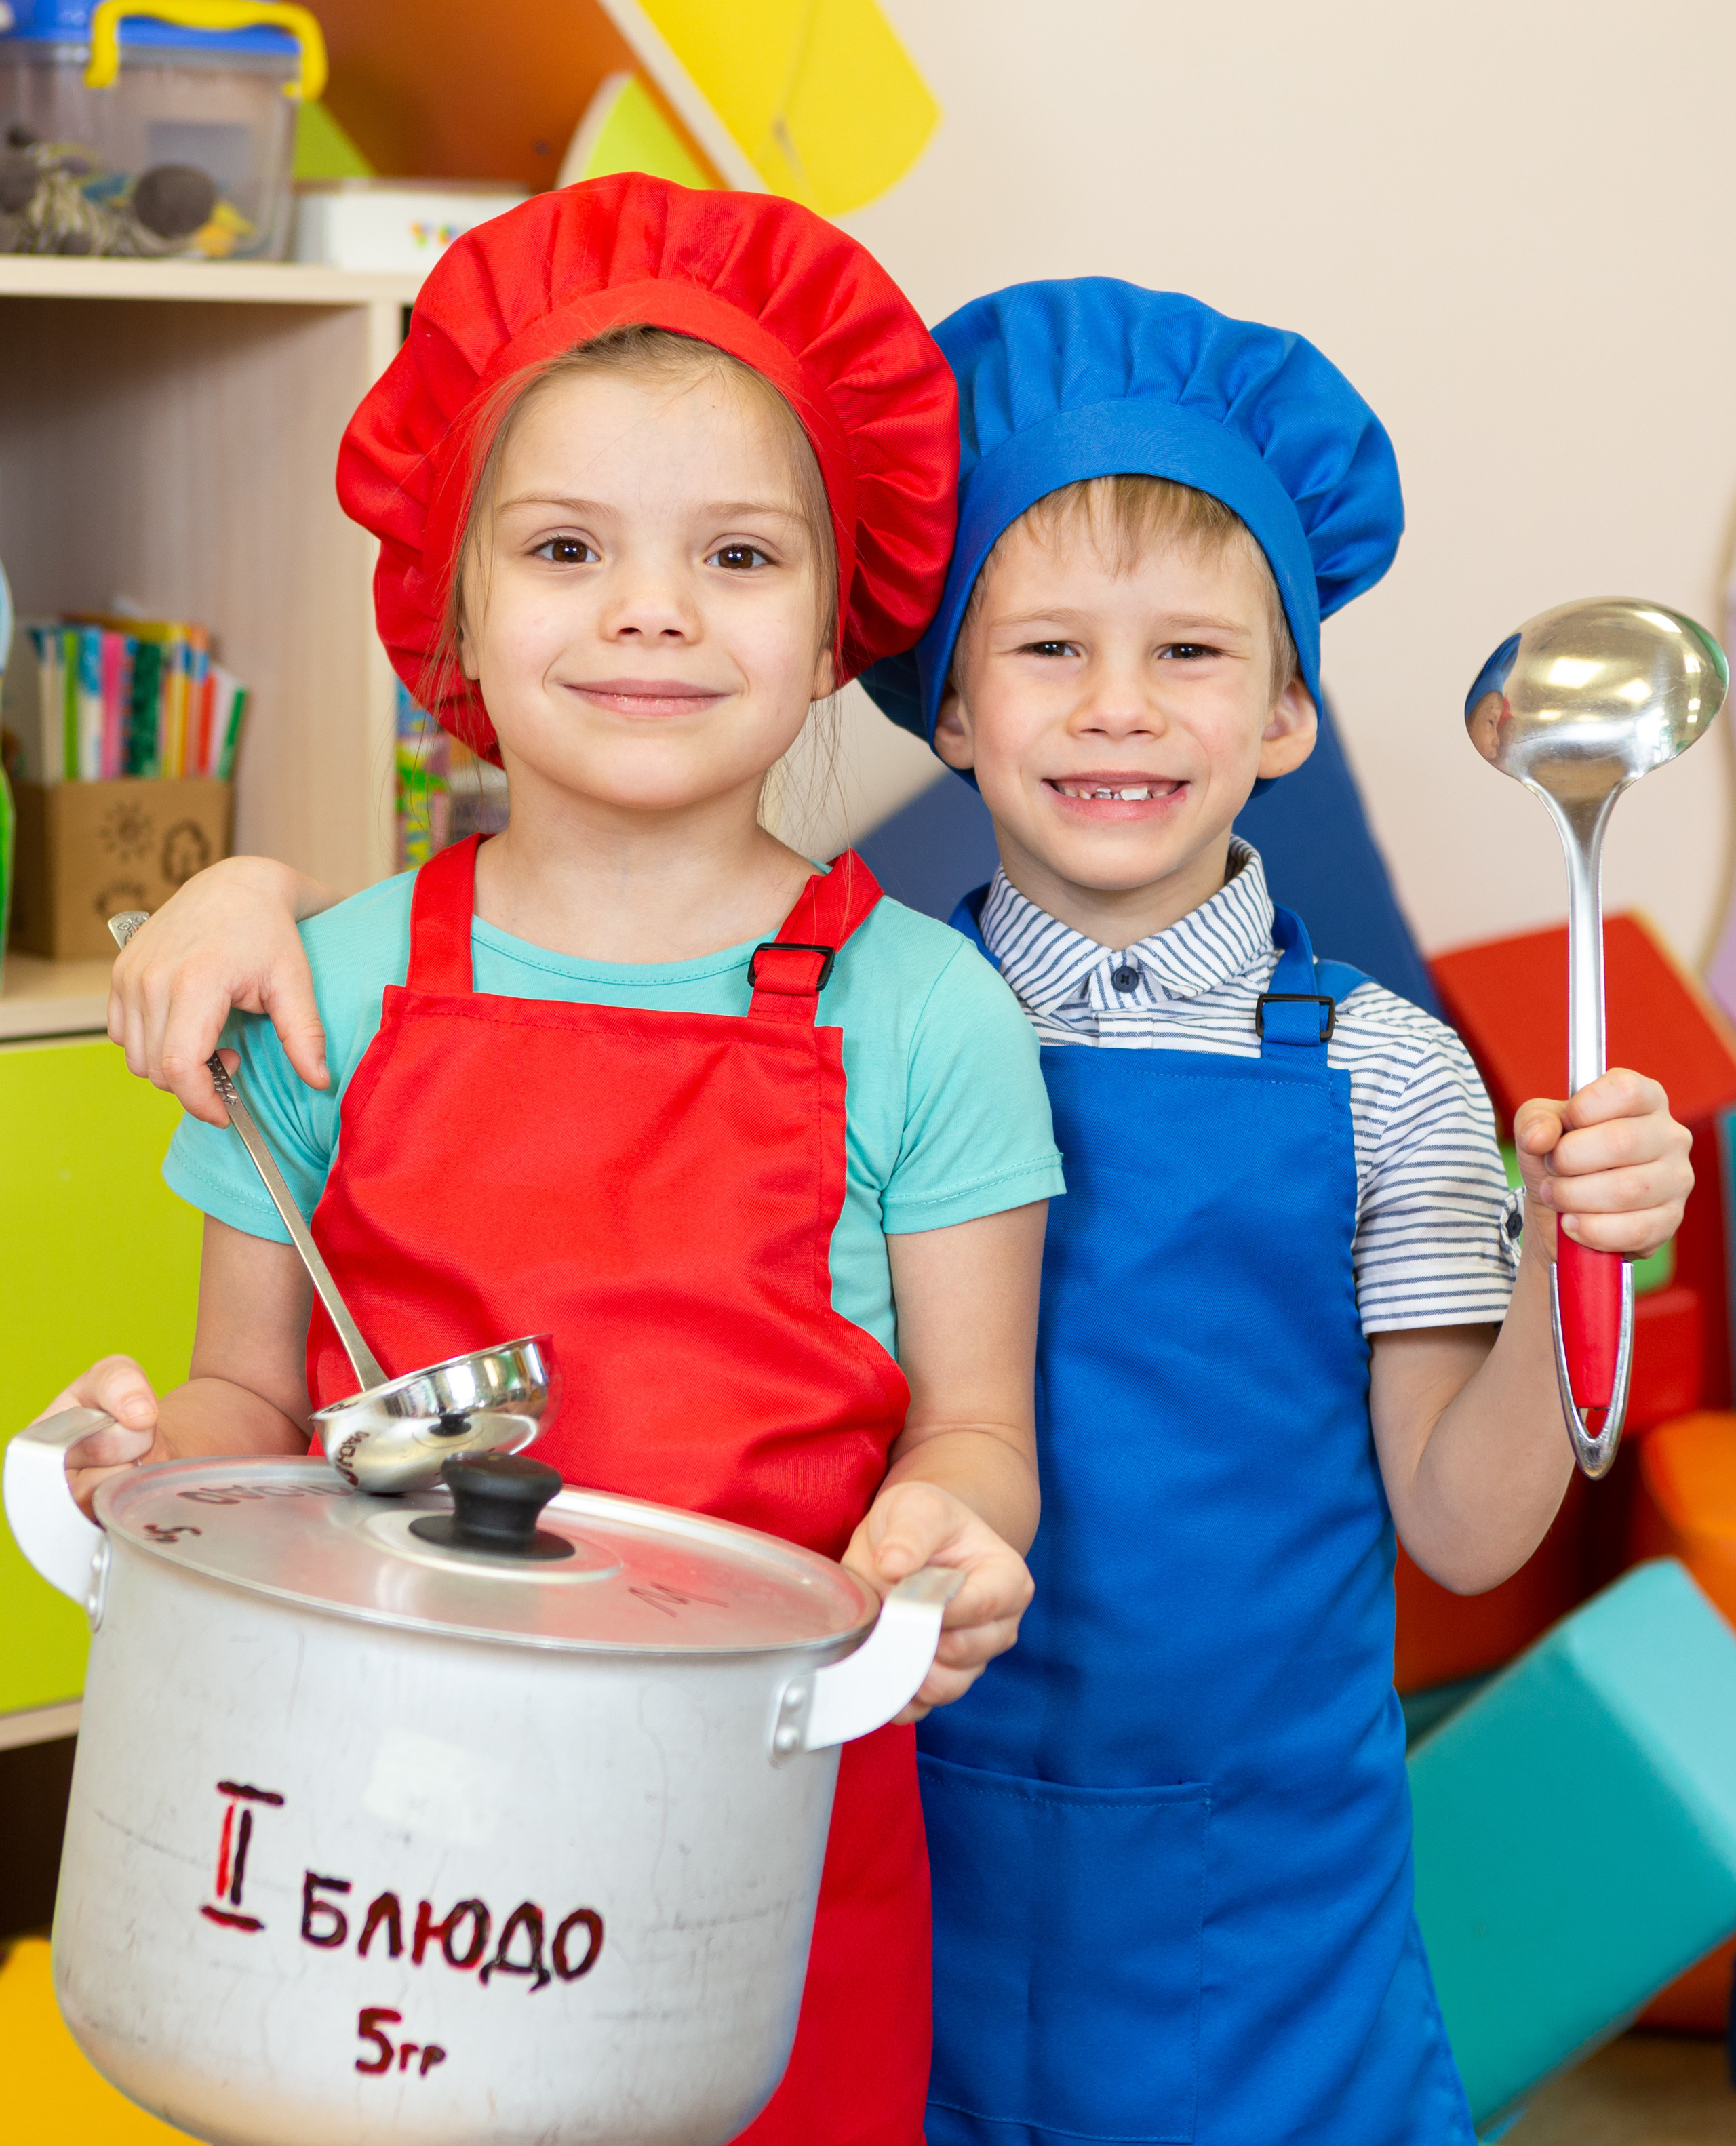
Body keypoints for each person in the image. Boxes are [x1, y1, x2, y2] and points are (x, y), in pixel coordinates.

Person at [41, 179, 1067, 2146]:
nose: (652, 608)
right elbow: (251, 1396)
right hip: (363, 1838)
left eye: (740, 553)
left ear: (841, 605)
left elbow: (974, 1431)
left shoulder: (924, 1016)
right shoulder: (325, 982)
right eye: (569, 545)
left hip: (757, 1842)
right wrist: (146, 1476)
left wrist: (950, 1533)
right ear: (451, 602)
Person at [853, 281, 1691, 2144]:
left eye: (1194, 656)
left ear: (1292, 711)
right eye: (1051, 649)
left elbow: (1466, 1533)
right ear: (957, 711)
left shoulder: (1387, 1074)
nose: (1122, 706)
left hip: (1276, 1904)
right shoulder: (870, 1030)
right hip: (918, 1842)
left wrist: (1574, 1249)